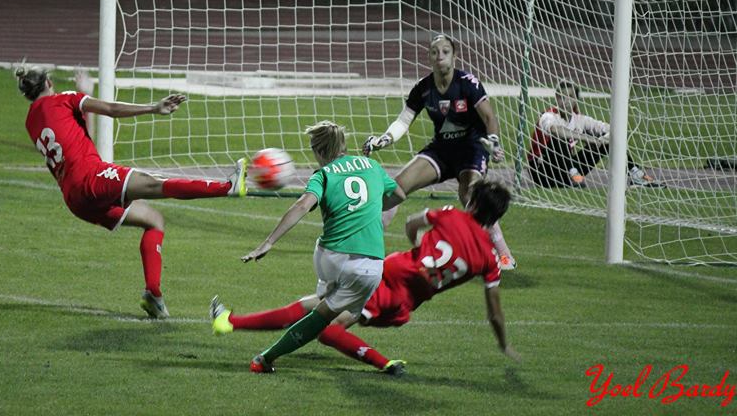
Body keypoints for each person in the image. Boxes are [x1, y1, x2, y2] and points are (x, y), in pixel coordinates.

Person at [211, 180, 519, 376]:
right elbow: (495, 312)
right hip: (404, 300)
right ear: (496, 217)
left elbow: (412, 223)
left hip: (388, 277)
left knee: (325, 325)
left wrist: (417, 247)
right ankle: (232, 324)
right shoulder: (489, 259)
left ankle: (384, 364)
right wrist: (504, 344)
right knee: (317, 307)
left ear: (473, 204)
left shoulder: (451, 215)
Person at [15, 65, 247, 319]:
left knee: (154, 220)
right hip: (91, 178)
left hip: (75, 199)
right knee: (155, 184)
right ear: (49, 82)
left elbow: (82, 139)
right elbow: (111, 109)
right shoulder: (64, 99)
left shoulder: (30, 122)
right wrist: (153, 108)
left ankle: (153, 296)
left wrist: (83, 103)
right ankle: (228, 187)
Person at [237, 120, 406, 373]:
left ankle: (266, 355)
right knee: (327, 315)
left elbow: (302, 205)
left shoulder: (324, 174)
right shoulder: (372, 166)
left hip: (331, 258)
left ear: (319, 150)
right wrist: (371, 210)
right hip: (370, 266)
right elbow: (399, 195)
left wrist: (268, 242)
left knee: (323, 309)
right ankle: (264, 357)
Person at [362, 34, 516, 269]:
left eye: (445, 51)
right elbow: (403, 121)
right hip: (442, 150)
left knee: (471, 196)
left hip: (472, 149)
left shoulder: (468, 83)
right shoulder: (423, 88)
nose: (440, 56)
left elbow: (489, 117)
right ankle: (367, 243)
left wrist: (494, 142)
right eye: (434, 52)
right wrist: (384, 139)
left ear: (454, 56)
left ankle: (503, 254)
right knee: (396, 187)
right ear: (429, 57)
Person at [527, 79, 663, 188]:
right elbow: (555, 130)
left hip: (564, 171)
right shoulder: (548, 116)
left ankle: (635, 174)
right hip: (542, 172)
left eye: (570, 96)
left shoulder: (580, 120)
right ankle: (573, 174)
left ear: (576, 99)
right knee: (560, 137)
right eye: (562, 97)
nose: (566, 101)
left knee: (605, 142)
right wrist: (588, 138)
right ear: (557, 98)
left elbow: (614, 129)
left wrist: (603, 139)